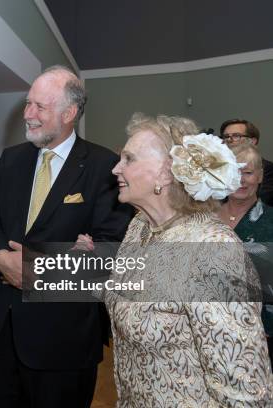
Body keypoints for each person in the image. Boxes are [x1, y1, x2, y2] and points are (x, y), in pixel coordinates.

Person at [89, 113, 273, 406]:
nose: (115, 168)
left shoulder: (212, 250)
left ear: (165, 174)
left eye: (128, 159)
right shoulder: (139, 227)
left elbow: (245, 392)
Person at [0, 65, 132, 407]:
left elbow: (111, 253)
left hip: (64, 341)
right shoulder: (12, 160)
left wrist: (34, 271)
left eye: (39, 107)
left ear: (70, 113)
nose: (27, 115)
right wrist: (1, 260)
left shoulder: (106, 167)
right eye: (28, 104)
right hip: (3, 331)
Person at [218, 142, 273, 370]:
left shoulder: (270, 221)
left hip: (260, 335)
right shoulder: (203, 218)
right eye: (233, 171)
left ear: (259, 176)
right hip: (207, 330)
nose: (241, 180)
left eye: (248, 173)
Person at [220, 118, 273, 205]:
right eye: (226, 137)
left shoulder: (269, 169)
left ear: (252, 141)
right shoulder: (217, 167)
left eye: (236, 136)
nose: (229, 140)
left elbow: (263, 200)